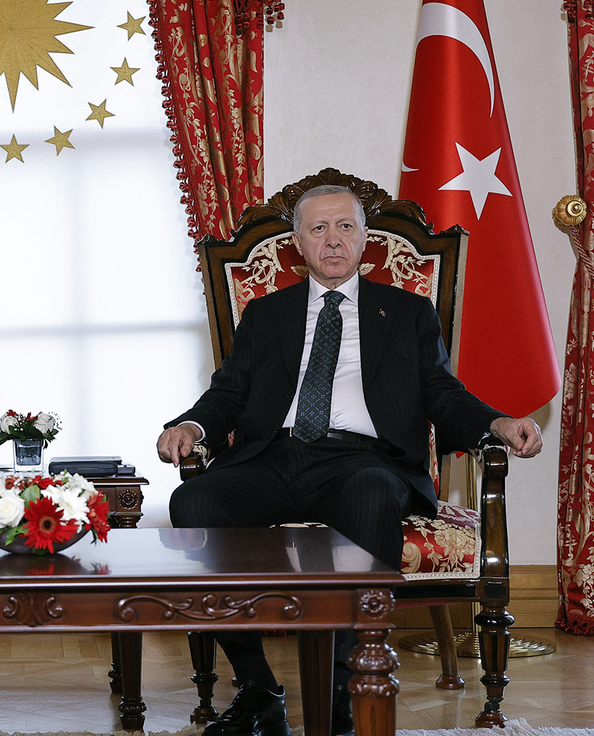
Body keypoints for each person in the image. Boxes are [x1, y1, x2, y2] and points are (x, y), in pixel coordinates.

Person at [156, 185, 542, 736]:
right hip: (274, 456)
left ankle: (342, 690)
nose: (333, 240)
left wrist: (496, 423)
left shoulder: (408, 312)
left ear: (365, 239)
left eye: (345, 227)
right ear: (298, 244)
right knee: (194, 500)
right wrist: (192, 427)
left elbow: (442, 393)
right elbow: (228, 393)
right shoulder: (266, 314)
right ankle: (258, 688)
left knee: (372, 492)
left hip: (364, 459)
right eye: (318, 229)